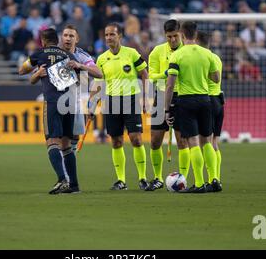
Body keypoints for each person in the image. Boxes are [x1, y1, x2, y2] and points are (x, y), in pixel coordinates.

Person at [19, 28, 80, 194]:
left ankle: (62, 179)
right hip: (69, 102)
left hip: (53, 102)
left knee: (52, 141)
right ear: (58, 40)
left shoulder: (39, 54)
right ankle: (74, 185)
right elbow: (78, 78)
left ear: (43, 41)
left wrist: (38, 72)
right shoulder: (68, 54)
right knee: (66, 144)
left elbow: (22, 70)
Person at [91, 23, 149, 191]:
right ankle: (121, 180)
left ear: (120, 36)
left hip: (131, 100)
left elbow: (144, 73)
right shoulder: (101, 59)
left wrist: (146, 98)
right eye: (107, 35)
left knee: (136, 139)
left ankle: (142, 178)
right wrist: (92, 104)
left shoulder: (131, 54)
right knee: (116, 141)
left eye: (112, 34)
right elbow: (98, 83)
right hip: (111, 101)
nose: (109, 37)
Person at [165, 21, 220, 193]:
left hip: (186, 101)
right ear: (195, 35)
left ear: (181, 34)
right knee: (207, 142)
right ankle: (214, 180)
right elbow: (216, 78)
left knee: (194, 143)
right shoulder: (207, 54)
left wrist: (167, 109)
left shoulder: (177, 55)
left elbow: (170, 85)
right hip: (205, 100)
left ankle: (199, 183)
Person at [145, 20, 190, 191]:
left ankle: (183, 177)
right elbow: (151, 76)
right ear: (165, 35)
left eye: (175, 36)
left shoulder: (186, 52)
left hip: (181, 96)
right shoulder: (157, 51)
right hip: (162, 95)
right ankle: (157, 177)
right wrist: (166, 73)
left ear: (181, 34)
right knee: (155, 141)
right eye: (169, 37)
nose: (172, 40)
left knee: (182, 141)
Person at [59, 25, 103, 153]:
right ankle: (64, 166)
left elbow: (98, 73)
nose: (68, 38)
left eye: (71, 36)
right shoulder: (54, 54)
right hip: (57, 100)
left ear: (77, 39)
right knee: (59, 139)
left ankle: (68, 164)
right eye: (65, 35)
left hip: (75, 100)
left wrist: (80, 65)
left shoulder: (82, 56)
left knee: (74, 137)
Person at [197, 31, 224, 189]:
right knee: (214, 142)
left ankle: (210, 178)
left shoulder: (201, 58)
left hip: (207, 101)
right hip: (219, 101)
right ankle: (216, 178)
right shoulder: (216, 58)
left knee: (204, 143)